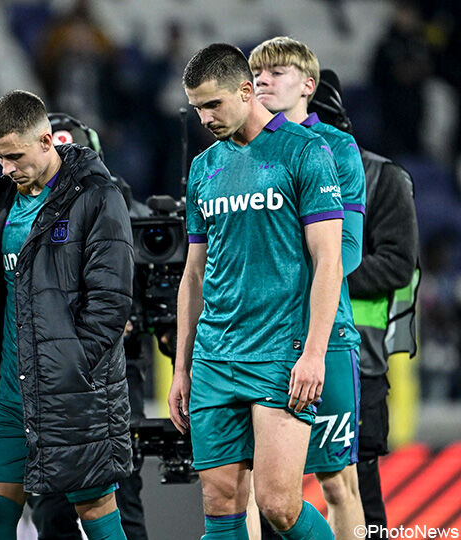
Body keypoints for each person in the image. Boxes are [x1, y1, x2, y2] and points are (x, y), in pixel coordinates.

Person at [170, 43, 343, 540]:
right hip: (214, 358)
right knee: (220, 505)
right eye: (197, 107)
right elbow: (194, 275)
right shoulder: (204, 170)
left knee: (278, 506)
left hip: (277, 354)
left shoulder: (304, 153)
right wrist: (183, 367)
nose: (204, 118)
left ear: (247, 92)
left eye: (213, 104)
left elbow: (328, 260)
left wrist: (313, 353)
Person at [0, 89, 133, 540]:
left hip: (74, 394)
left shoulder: (96, 196)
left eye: (14, 156)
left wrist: (69, 367)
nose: (6, 169)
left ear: (47, 142)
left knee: (97, 515)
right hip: (11, 398)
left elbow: (111, 303)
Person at [247, 37, 366, 540]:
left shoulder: (337, 150)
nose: (263, 81)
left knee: (338, 483)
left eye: (276, 72)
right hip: (253, 343)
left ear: (308, 85)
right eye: (257, 75)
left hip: (324, 338)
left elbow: (349, 250)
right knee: (249, 484)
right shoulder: (243, 151)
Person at [25, 112, 149, 540]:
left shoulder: (119, 208)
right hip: (50, 381)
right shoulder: (19, 214)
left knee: (119, 500)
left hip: (110, 377)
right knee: (52, 512)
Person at [309, 69, 420, 539]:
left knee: (358, 485)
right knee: (277, 486)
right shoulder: (276, 172)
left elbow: (398, 266)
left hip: (361, 357)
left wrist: (320, 272)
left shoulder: (383, 177)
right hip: (286, 351)